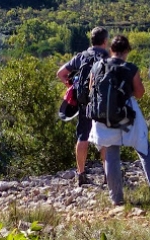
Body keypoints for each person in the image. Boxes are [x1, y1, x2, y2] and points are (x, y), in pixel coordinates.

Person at [88, 35, 150, 206]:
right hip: (127, 115)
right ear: (127, 50)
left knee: (112, 154)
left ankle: (116, 199)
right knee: (144, 150)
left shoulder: (97, 66)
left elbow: (92, 89)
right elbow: (140, 92)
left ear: (111, 50)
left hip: (103, 117)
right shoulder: (130, 68)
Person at [56, 26, 109, 186]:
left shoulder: (81, 56)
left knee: (83, 136)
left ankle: (81, 174)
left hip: (84, 102)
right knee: (105, 138)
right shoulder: (109, 57)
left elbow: (60, 73)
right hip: (102, 103)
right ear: (105, 41)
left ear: (91, 40)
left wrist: (71, 85)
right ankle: (108, 174)